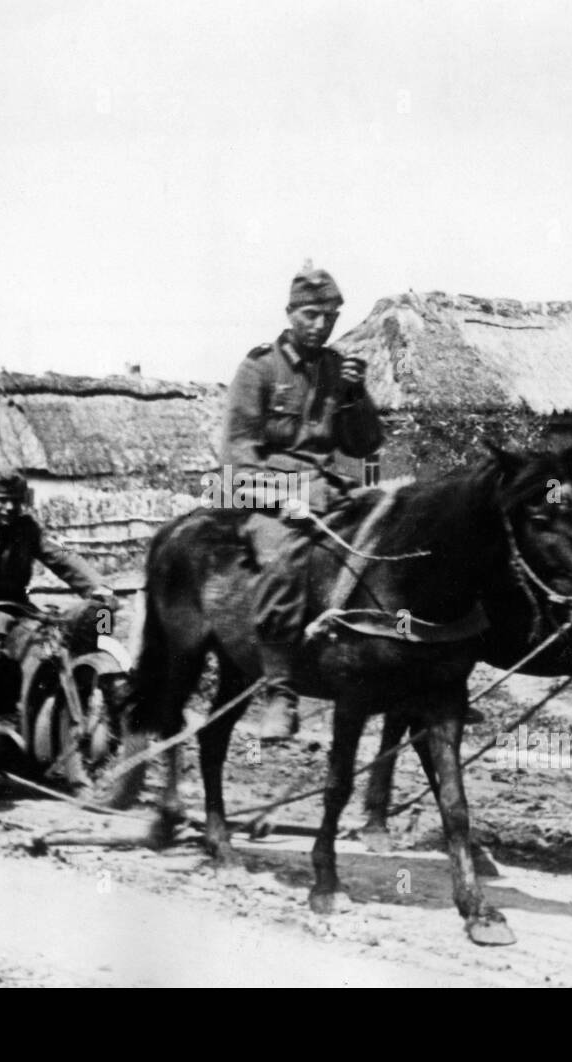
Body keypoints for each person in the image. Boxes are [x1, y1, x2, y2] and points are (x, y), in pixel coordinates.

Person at [220, 266, 385, 741]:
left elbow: (363, 445)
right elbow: (236, 459)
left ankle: (400, 668)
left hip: (328, 488)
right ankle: (279, 692)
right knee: (283, 559)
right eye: (310, 314)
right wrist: (277, 500)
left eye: (330, 316)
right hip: (267, 494)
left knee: (389, 533)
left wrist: (356, 394)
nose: (320, 325)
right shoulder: (259, 368)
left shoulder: (337, 369)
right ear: (290, 313)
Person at [0, 469, 117, 739]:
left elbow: (62, 555)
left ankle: (44, 717)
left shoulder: (28, 528)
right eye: (2, 499)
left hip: (17, 609)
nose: (9, 507)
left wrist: (97, 586)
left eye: (16, 501)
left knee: (50, 645)